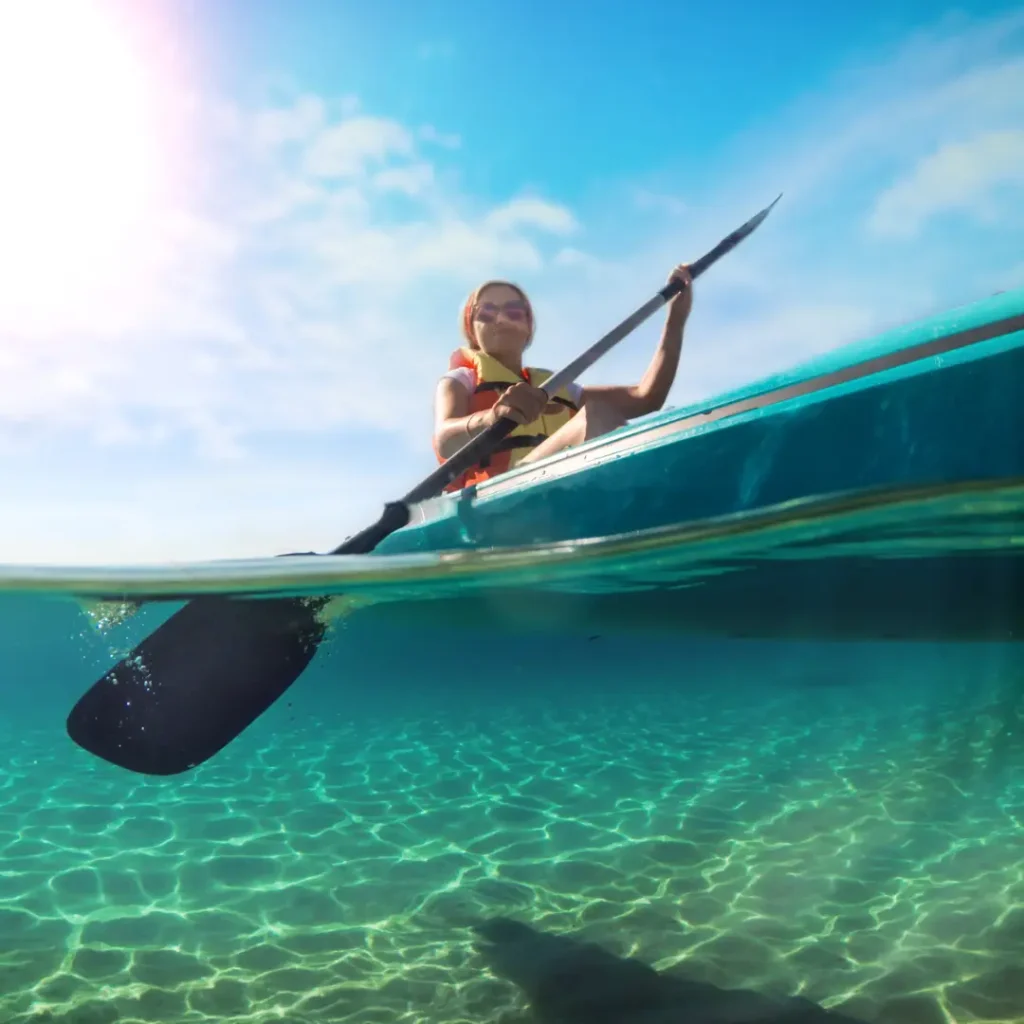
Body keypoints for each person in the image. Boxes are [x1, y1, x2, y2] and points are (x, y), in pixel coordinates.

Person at [432, 264, 693, 492]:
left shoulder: (559, 387)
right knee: (595, 414)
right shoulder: (462, 379)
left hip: (556, 482)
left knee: (600, 415)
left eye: (513, 311)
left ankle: (648, 486)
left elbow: (647, 398)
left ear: (528, 327)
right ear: (471, 329)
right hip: (499, 494)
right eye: (487, 312)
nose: (500, 319)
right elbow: (445, 441)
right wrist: (492, 417)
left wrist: (676, 319)